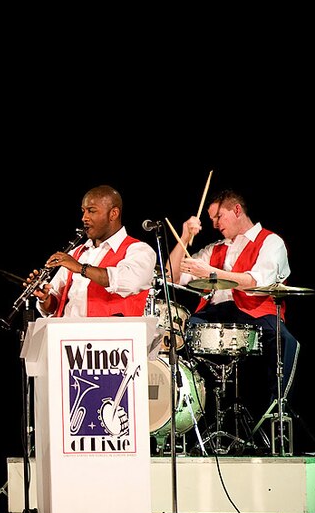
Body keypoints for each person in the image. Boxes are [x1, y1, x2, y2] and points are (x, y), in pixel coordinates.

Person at [167, 188, 299, 444]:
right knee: (181, 336)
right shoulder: (214, 249)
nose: (214, 224)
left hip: (256, 312)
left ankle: (278, 416)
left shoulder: (270, 242)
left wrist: (212, 273)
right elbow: (172, 275)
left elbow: (253, 281)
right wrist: (185, 235)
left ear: (236, 210)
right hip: (217, 312)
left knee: (286, 341)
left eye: (218, 217)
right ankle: (187, 422)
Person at [30, 185, 156, 319]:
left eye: (91, 211)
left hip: (113, 337)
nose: (84, 218)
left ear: (113, 213)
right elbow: (54, 307)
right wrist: (45, 298)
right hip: (67, 336)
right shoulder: (76, 253)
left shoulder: (139, 250)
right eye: (83, 211)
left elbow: (128, 282)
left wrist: (80, 268)